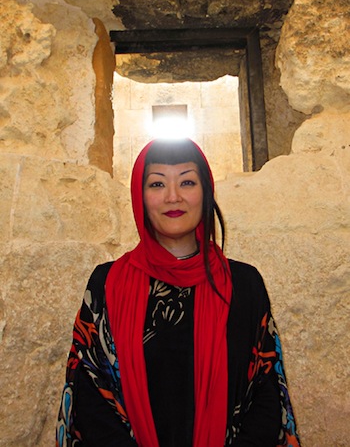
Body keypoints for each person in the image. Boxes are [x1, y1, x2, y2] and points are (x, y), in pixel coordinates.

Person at [56, 138, 301, 447]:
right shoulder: (106, 283)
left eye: (187, 181)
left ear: (206, 192)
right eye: (157, 184)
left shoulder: (245, 284)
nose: (173, 197)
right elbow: (88, 394)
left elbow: (266, 393)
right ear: (139, 196)